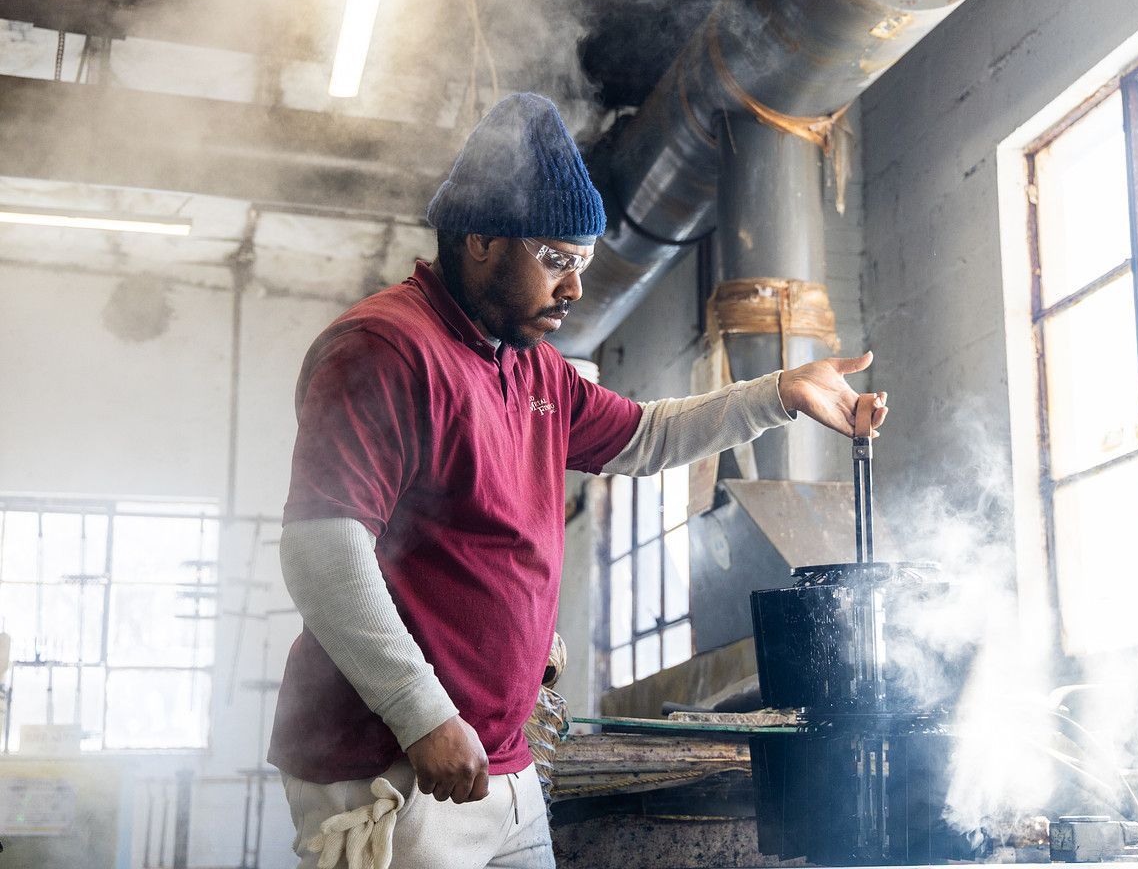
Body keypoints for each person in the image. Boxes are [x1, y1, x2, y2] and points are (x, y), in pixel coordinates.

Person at [268, 92, 888, 869]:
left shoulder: (531, 366)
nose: (573, 290)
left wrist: (777, 394)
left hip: (505, 757)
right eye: (556, 260)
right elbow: (322, 549)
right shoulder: (385, 349)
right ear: (483, 238)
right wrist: (420, 713)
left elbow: (646, 434)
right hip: (392, 762)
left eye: (583, 266)